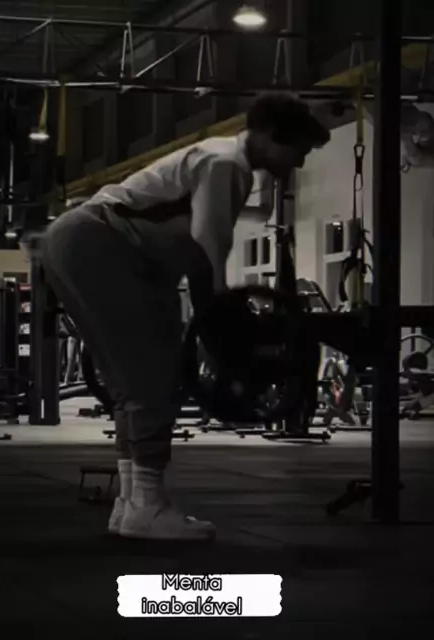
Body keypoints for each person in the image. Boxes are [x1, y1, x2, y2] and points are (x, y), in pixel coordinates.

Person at [41, 93, 330, 542]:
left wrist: (217, 325)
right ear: (272, 136)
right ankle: (147, 508)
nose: (299, 162)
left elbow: (198, 266)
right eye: (299, 150)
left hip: (82, 244)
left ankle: (131, 505)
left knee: (132, 383)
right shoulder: (226, 164)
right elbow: (207, 252)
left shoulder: (220, 158)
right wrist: (225, 333)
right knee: (154, 376)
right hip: (100, 246)